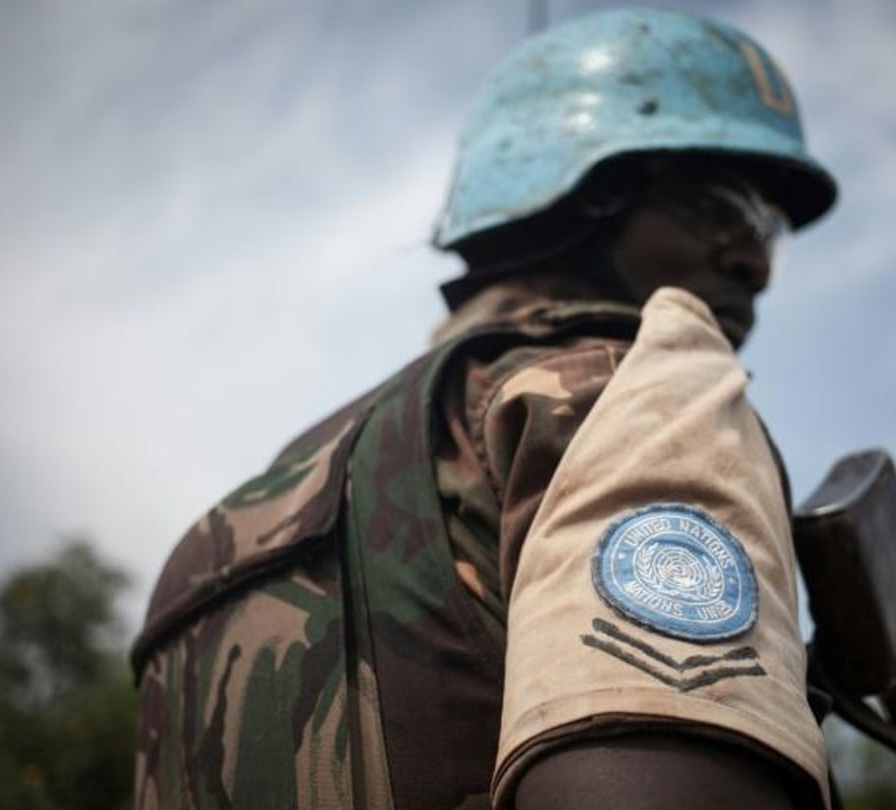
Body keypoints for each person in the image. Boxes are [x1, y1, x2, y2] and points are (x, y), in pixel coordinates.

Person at [130, 8, 838, 809]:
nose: (755, 263)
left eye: (768, 231)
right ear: (595, 192)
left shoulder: (222, 537)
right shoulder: (635, 391)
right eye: (721, 210)